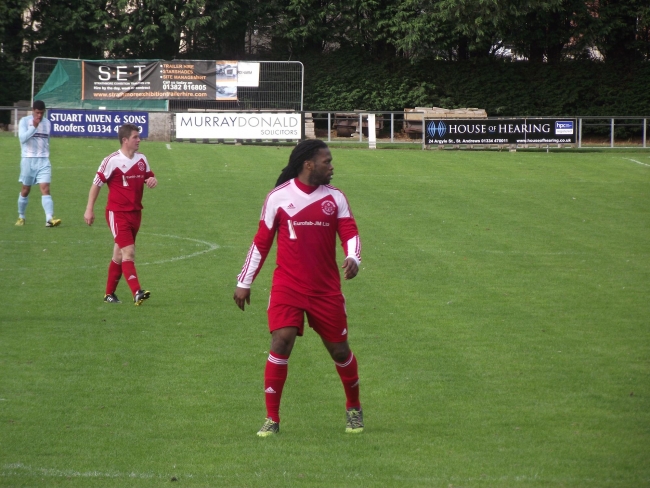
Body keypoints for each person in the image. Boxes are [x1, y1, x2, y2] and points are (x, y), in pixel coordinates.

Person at [233, 139, 364, 437]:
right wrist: (244, 282)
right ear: (309, 164)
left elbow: (350, 232)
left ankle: (354, 407)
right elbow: (261, 242)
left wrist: (353, 256)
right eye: (326, 161)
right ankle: (271, 418)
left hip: (325, 289)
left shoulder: (335, 198)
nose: (331, 167)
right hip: (287, 286)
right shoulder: (278, 197)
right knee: (281, 340)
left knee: (340, 351)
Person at [83, 123, 157, 305]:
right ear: (125, 140)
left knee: (118, 254)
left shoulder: (141, 159)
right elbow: (96, 184)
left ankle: (109, 294)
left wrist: (151, 179)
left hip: (136, 213)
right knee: (129, 252)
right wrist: (89, 209)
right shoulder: (111, 161)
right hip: (117, 213)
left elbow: (148, 175)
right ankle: (137, 292)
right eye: (135, 137)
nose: (139, 140)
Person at [16, 100, 61, 227]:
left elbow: (47, 141)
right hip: (28, 159)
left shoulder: (47, 123)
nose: (39, 116)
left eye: (41, 113)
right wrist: (34, 127)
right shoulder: (24, 121)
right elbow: (22, 139)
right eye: (37, 113)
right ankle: (21, 216)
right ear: (33, 111)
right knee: (25, 190)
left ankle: (49, 219)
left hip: (43, 160)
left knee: (45, 188)